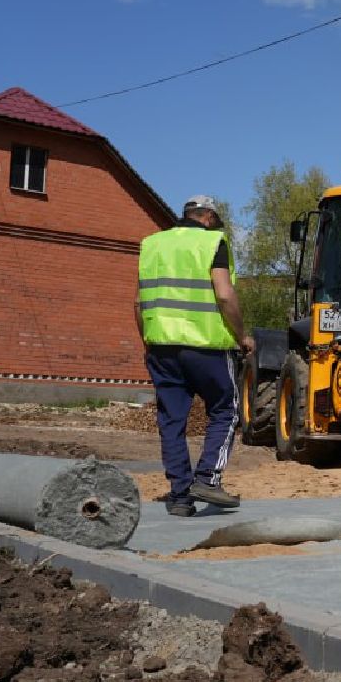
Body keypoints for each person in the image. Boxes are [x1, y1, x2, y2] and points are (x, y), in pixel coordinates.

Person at [136, 195, 255, 517]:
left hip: (161, 346)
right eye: (216, 220)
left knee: (171, 422)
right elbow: (224, 293)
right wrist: (242, 335)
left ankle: (179, 498)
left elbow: (138, 302)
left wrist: (148, 341)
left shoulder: (152, 244)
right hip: (206, 346)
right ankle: (207, 479)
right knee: (227, 410)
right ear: (207, 217)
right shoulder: (212, 241)